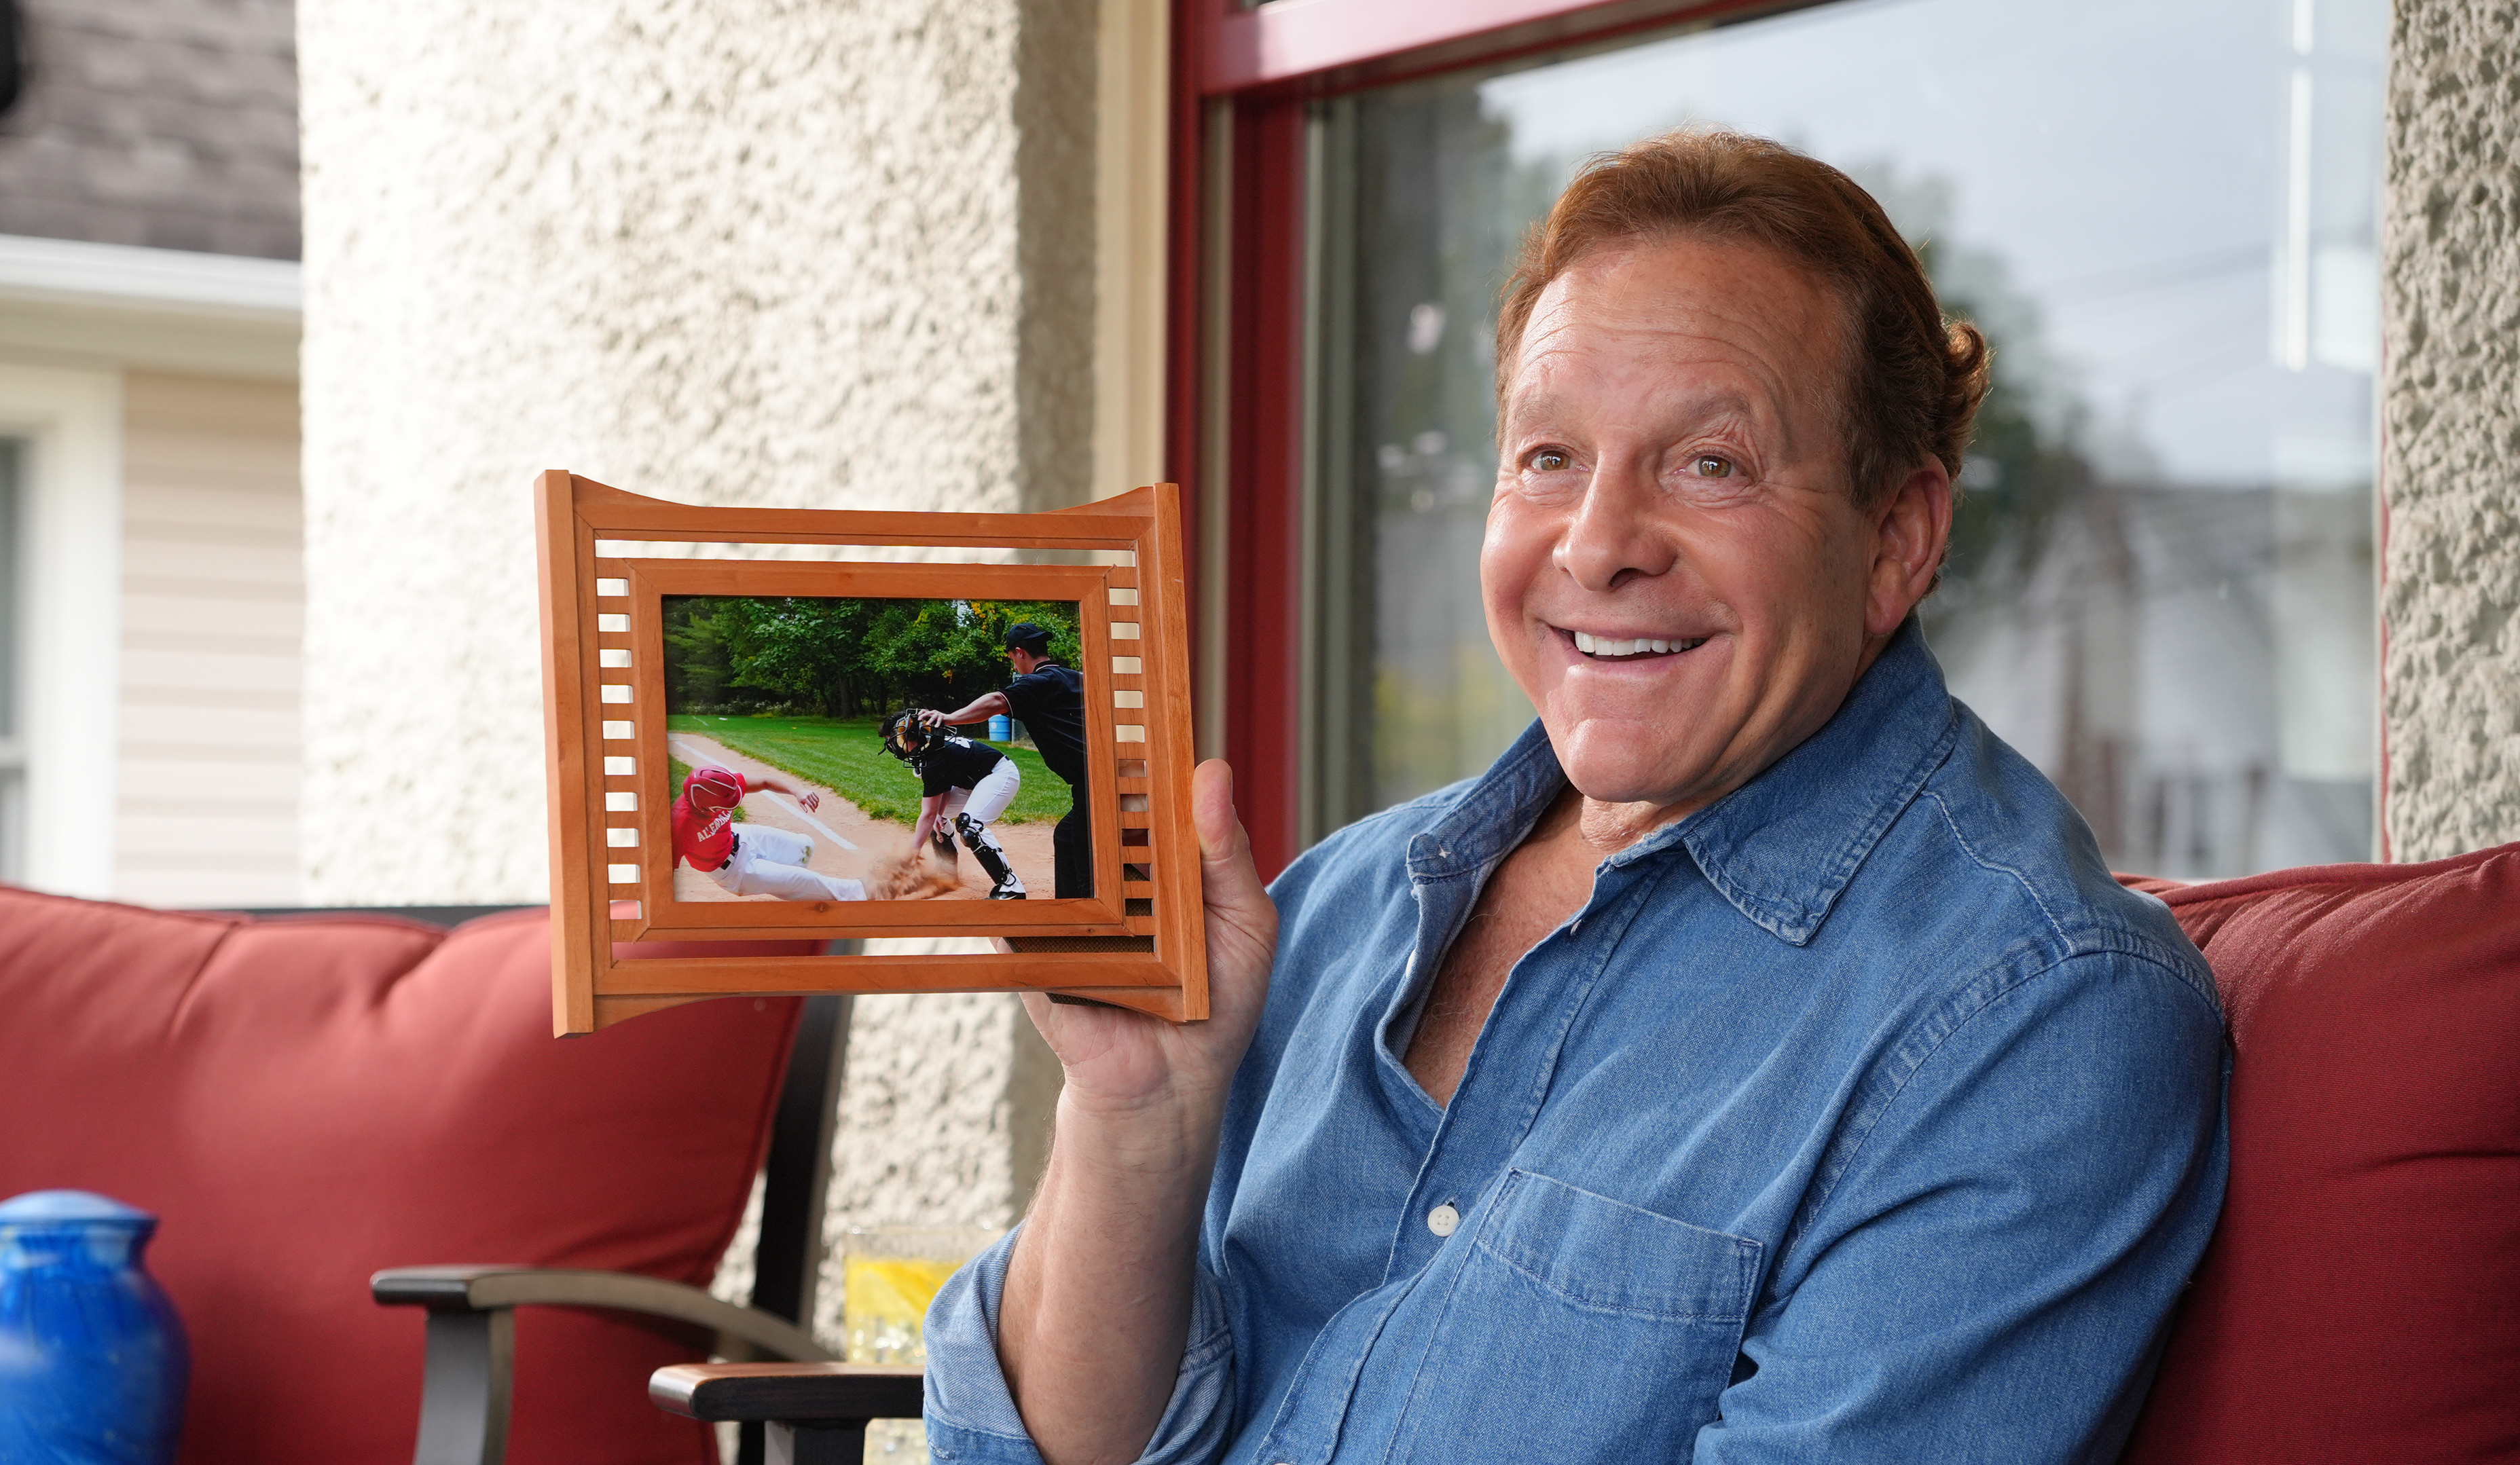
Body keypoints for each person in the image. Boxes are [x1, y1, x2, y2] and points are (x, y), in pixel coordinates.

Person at [920, 130, 2231, 1464]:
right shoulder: (1334, 904)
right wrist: (1136, 1122)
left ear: (1897, 537)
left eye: (1711, 462)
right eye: (1548, 455)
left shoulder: (2034, 1016)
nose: (1598, 545)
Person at [926, 623, 1091, 898]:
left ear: (1019, 652)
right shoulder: (1075, 678)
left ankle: (1089, 915)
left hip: (1095, 783)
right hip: (1095, 779)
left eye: (1012, 658)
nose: (1014, 664)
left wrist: (949, 717)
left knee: (1088, 862)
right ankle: (1067, 907)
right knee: (1066, 836)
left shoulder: (1038, 682)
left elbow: (996, 701)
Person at [883, 708, 1028, 899]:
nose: (895, 746)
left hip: (999, 775)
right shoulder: (931, 749)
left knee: (969, 827)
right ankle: (947, 874)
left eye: (895, 740)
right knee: (937, 818)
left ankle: (1011, 887)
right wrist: (939, 815)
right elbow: (942, 789)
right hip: (975, 784)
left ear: (911, 735)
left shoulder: (935, 758)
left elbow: (927, 815)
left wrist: (912, 854)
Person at [671, 764, 866, 903]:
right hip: (734, 872)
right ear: (704, 805)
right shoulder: (679, 824)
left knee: (806, 846)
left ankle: (788, 884)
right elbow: (661, 873)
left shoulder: (721, 786)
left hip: (741, 836)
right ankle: (859, 891)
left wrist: (797, 791)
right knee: (803, 879)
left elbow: (765, 782)